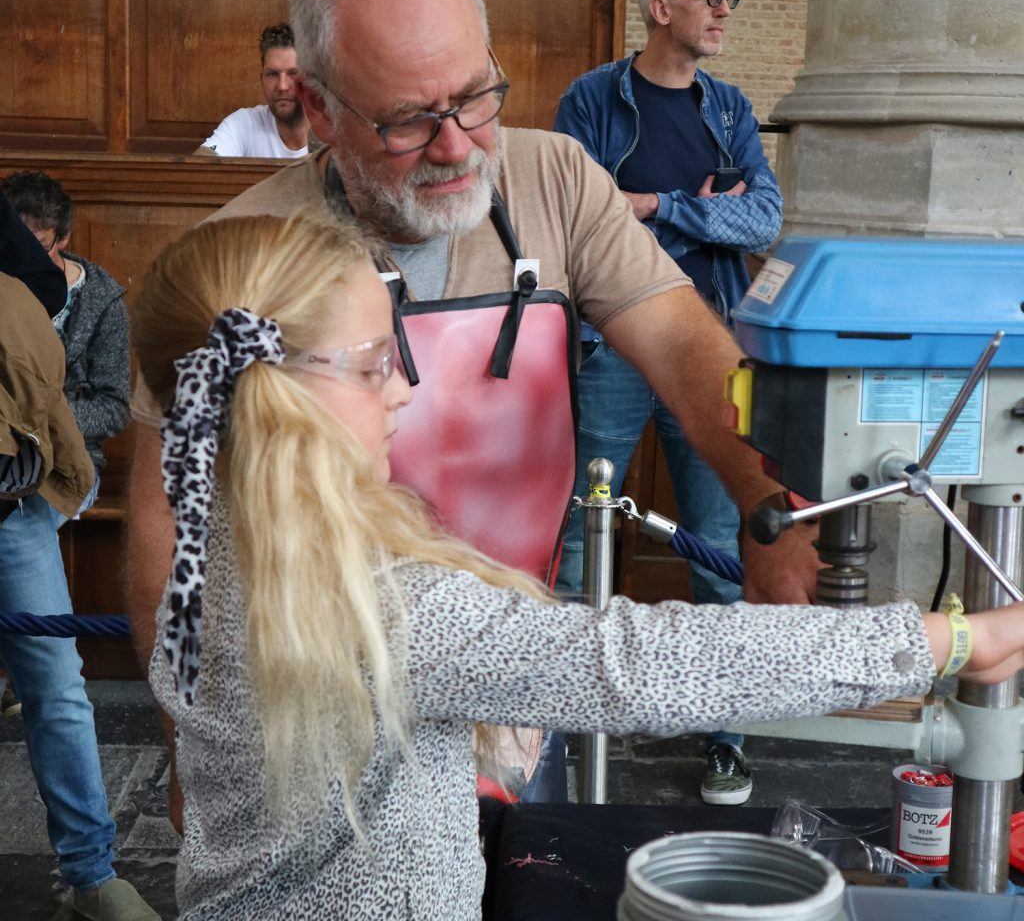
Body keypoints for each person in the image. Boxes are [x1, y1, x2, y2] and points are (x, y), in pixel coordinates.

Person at [131, 210, 1024, 920]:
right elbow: (630, 662)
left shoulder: (214, 551)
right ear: (280, 402)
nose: (405, 386)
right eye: (375, 366)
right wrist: (946, 640)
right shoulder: (375, 608)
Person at [124, 0, 819, 813]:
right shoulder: (235, 256)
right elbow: (167, 519)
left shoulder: (555, 177)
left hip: (517, 670)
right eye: (409, 119)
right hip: (323, 703)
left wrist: (772, 508)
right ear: (321, 108)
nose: (457, 148)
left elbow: (687, 347)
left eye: (475, 98)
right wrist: (187, 736)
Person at [553, 0, 781, 806]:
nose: (725, 9)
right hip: (610, 341)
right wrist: (696, 215)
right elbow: (579, 217)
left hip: (708, 340)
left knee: (720, 545)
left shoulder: (729, 109)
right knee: (581, 533)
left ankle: (725, 738)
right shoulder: (593, 100)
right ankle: (567, 721)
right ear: (661, 9)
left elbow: (763, 212)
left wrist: (653, 206)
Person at [0, 203, 155, 920]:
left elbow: (46, 292)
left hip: (13, 500)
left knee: (57, 686)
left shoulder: (85, 292)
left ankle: (92, 876)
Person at [1, 171, 131, 491]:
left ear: (64, 238)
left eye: (39, 248)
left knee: (23, 516)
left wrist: (43, 417)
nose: (23, 261)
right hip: (5, 442)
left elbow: (114, 408)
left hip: (70, 456)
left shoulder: (103, 303)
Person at [197, 24, 311, 158]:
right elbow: (201, 165)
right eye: (272, 74)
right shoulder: (245, 123)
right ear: (261, 78)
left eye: (293, 73)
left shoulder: (332, 130)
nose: (282, 86)